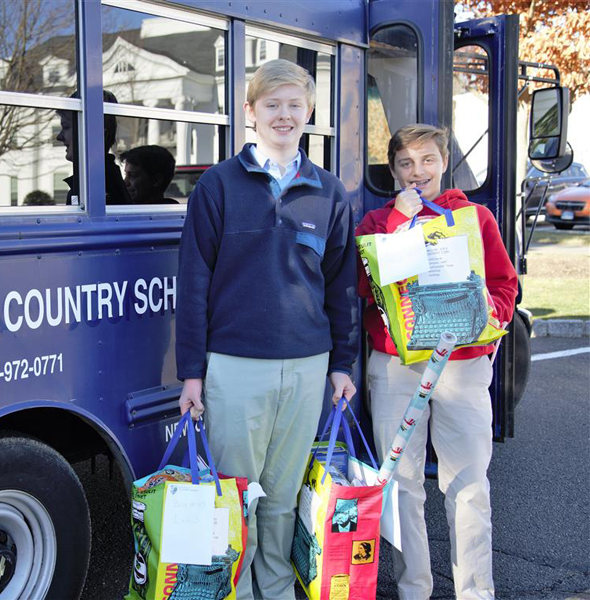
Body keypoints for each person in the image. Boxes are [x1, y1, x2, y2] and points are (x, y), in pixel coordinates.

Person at [176, 59, 358, 599]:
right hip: (236, 367)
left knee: (281, 497)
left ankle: (276, 590)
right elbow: (193, 283)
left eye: (294, 105)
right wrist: (192, 373)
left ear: (310, 113)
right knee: (237, 497)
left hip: (307, 366)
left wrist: (343, 364)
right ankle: (237, 592)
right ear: (250, 112)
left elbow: (342, 287)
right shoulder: (217, 186)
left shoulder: (329, 191)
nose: (284, 115)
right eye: (271, 105)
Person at [356, 124, 518, 600]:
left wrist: (493, 315)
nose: (417, 172)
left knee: (468, 484)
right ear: (393, 171)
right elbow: (364, 288)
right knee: (403, 486)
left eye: (427, 160)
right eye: (406, 163)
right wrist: (395, 226)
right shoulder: (375, 222)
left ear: (443, 162)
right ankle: (414, 589)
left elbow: (505, 285)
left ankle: (475, 591)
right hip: (395, 367)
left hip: (462, 364)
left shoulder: (474, 218)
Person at [55, 90, 130, 205]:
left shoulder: (98, 191)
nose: (59, 137)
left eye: (66, 127)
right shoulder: (95, 184)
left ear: (95, 135)